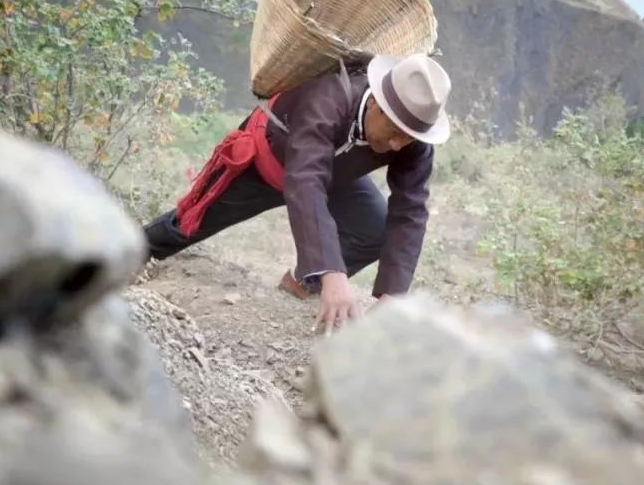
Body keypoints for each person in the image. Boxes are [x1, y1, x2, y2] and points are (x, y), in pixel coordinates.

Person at [143, 52, 452, 334]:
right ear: (375, 104)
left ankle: (301, 283)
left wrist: (392, 295)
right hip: (267, 163)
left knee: (375, 230)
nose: (399, 145)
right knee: (187, 225)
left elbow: (410, 212)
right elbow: (306, 182)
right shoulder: (328, 97)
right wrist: (333, 271)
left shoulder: (414, 141)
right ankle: (129, 253)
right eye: (395, 132)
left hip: (335, 175)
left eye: (409, 138)